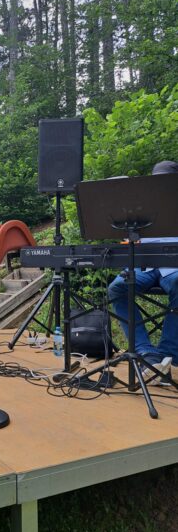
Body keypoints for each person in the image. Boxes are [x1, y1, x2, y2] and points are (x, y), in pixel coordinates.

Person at [108, 160, 178, 383]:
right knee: (117, 288)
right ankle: (146, 353)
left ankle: (168, 357)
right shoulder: (141, 205)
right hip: (144, 263)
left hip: (174, 266)